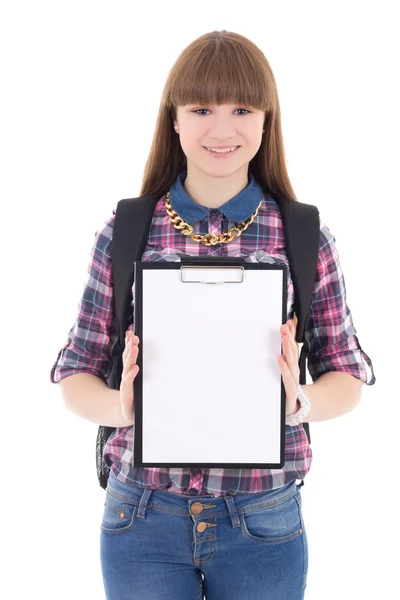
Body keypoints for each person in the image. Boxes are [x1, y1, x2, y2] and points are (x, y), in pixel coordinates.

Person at [50, 29, 376, 600]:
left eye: (241, 108)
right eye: (201, 108)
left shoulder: (303, 235)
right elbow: (77, 371)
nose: (221, 129)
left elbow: (346, 375)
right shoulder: (125, 232)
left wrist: (301, 401)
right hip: (141, 516)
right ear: (173, 119)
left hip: (263, 518)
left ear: (266, 120)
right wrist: (120, 406)